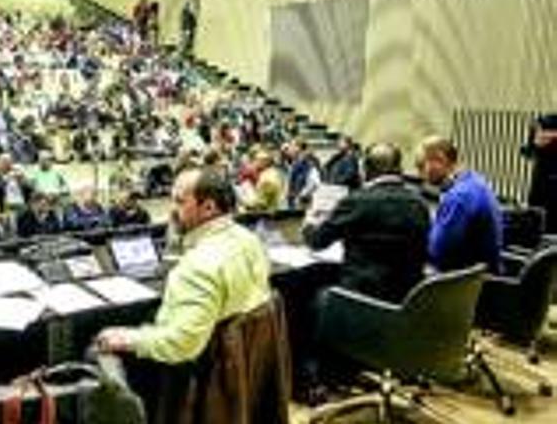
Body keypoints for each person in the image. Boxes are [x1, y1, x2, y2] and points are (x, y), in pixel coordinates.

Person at [97, 167, 272, 363]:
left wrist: (126, 339)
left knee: (99, 348)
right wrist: (176, 244)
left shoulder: (198, 267)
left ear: (208, 208)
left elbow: (181, 344)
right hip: (246, 359)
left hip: (205, 370)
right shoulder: (250, 240)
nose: (171, 210)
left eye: (179, 201)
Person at [303, 143, 430, 302]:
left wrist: (309, 221)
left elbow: (316, 241)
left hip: (362, 301)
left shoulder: (356, 201)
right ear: (399, 168)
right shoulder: (419, 203)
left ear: (365, 170)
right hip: (406, 301)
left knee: (309, 292)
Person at [418, 136, 503, 274]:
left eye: (423, 164)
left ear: (439, 161)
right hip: (480, 275)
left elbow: (437, 251)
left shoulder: (458, 198)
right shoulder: (475, 181)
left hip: (468, 282)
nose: (423, 172)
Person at [523, 113, 557, 233]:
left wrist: (551, 136)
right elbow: (529, 151)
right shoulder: (542, 122)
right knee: (536, 218)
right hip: (541, 180)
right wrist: (537, 142)